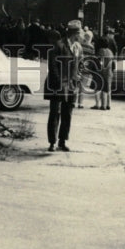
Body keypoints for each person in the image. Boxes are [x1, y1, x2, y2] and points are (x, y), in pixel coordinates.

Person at [44, 21, 82, 152]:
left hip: (71, 85)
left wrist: (78, 76)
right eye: (79, 33)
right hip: (58, 85)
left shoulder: (77, 47)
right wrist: (59, 82)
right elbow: (53, 66)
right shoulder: (58, 45)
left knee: (68, 113)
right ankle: (52, 142)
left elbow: (79, 64)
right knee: (55, 113)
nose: (81, 35)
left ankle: (62, 141)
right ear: (74, 34)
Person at [94, 28, 117, 110]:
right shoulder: (110, 52)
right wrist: (113, 70)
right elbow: (113, 62)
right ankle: (107, 105)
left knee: (98, 88)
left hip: (100, 72)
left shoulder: (99, 52)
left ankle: (98, 105)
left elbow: (97, 61)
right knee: (107, 89)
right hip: (108, 72)